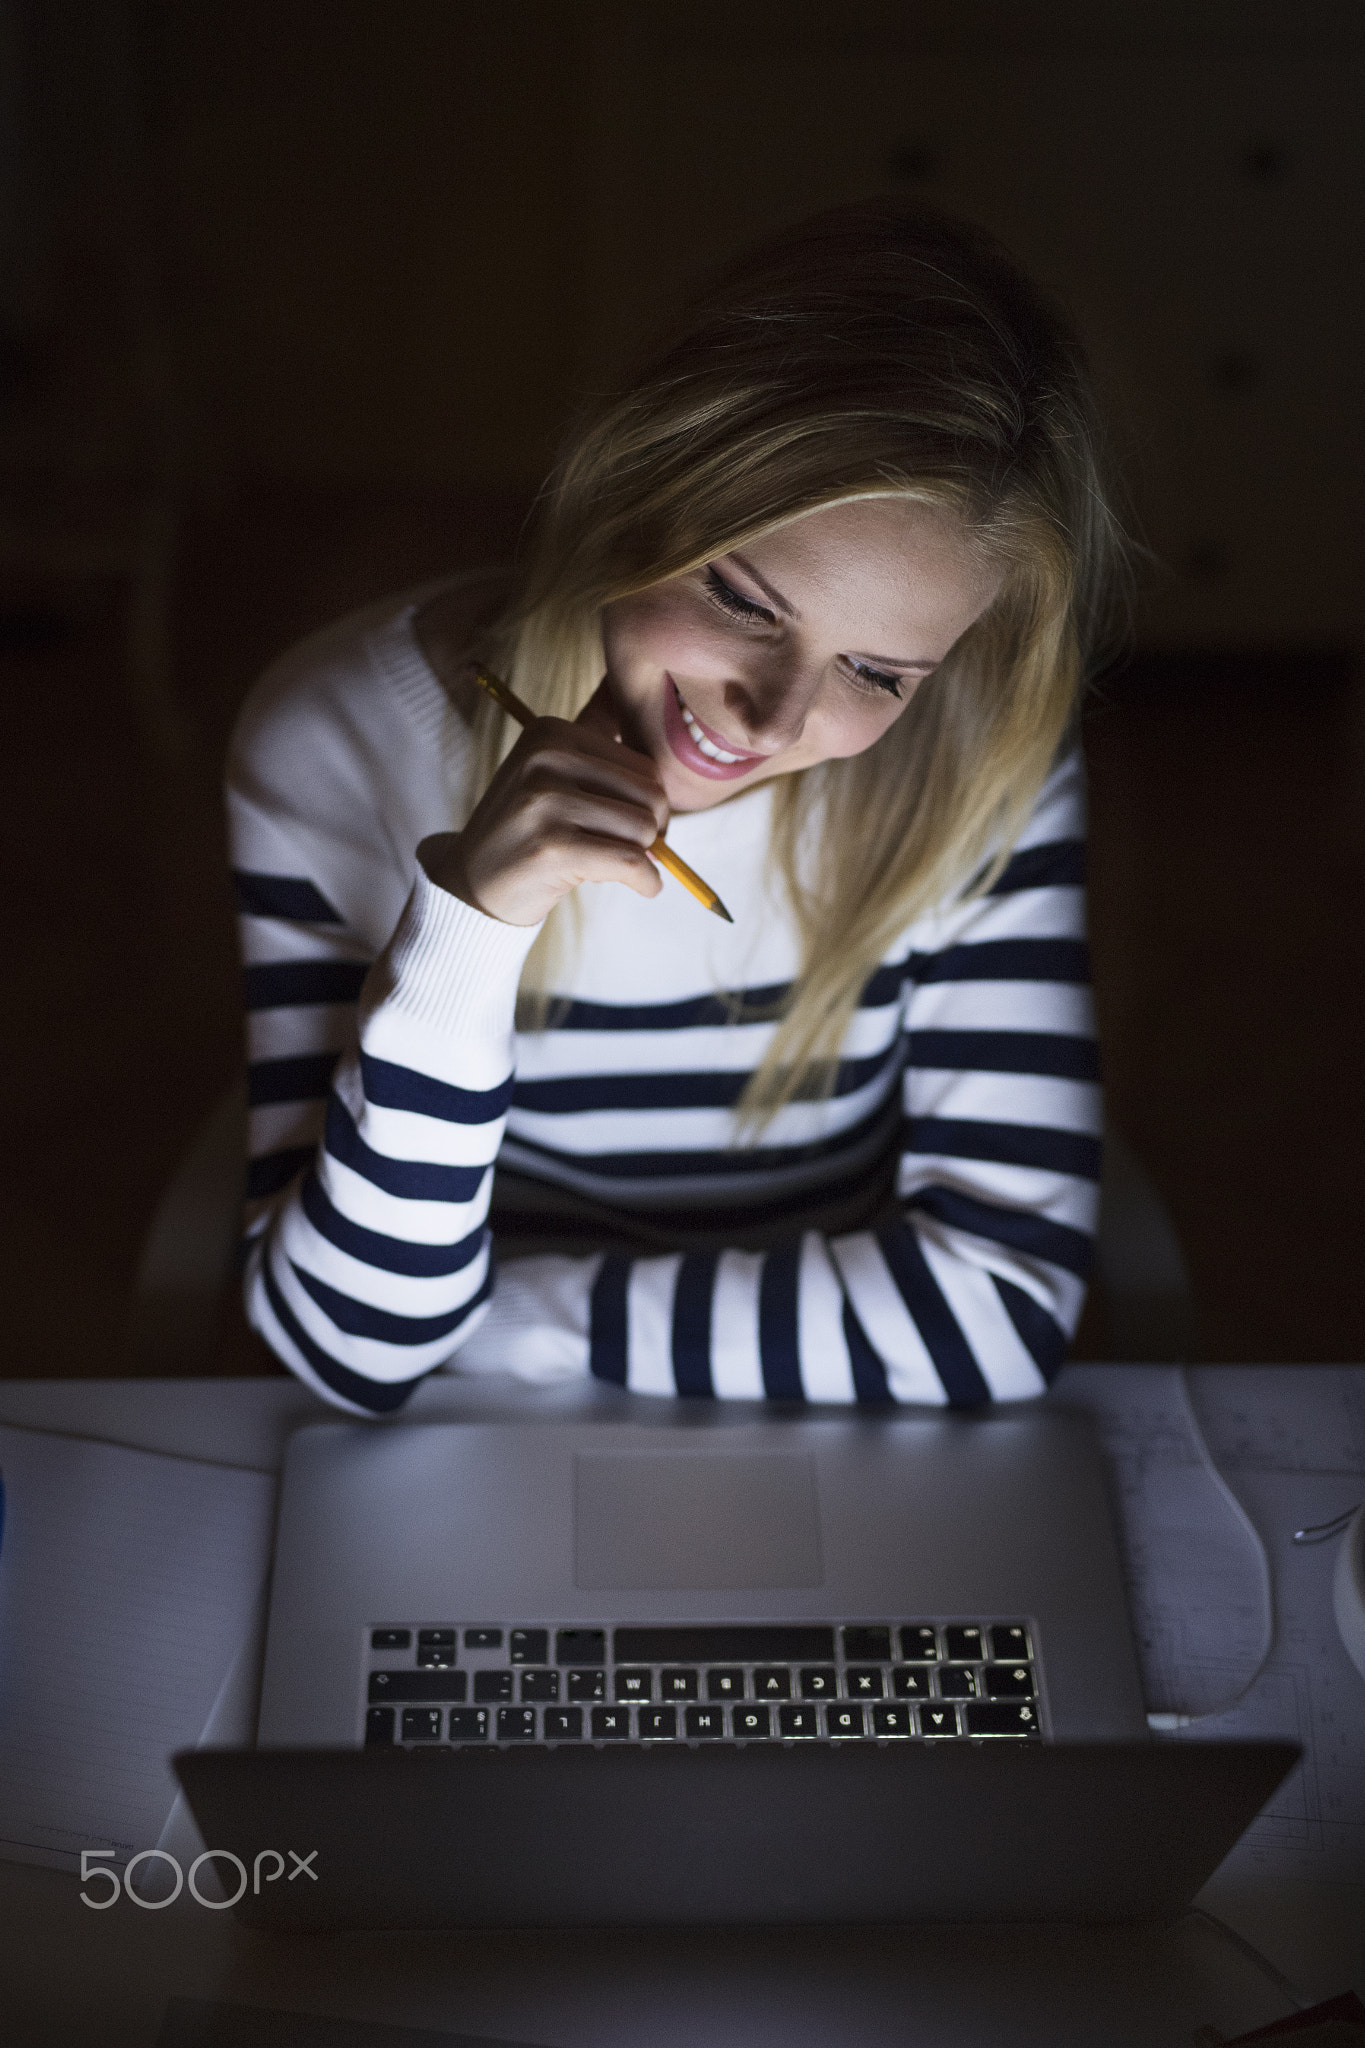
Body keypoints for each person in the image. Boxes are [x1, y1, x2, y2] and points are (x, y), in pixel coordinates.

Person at [227, 198, 1128, 1416]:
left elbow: (1001, 1315)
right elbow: (352, 1349)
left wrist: (503, 1322)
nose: (764, 719)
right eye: (747, 601)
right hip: (590, 1418)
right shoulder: (331, 740)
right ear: (638, 480)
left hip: (800, 1425)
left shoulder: (983, 768)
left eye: (877, 673)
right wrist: (468, 928)